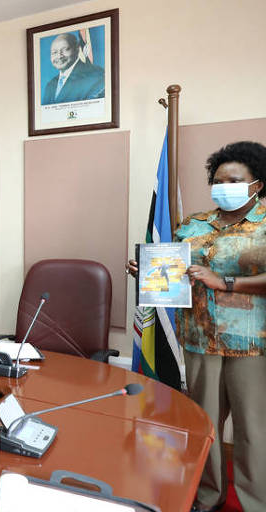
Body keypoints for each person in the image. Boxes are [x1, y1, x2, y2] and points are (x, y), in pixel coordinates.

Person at [127, 141, 266, 512]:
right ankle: (207, 497)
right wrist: (149, 273)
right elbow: (174, 272)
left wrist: (226, 283)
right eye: (218, 180)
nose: (224, 186)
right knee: (204, 426)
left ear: (258, 185)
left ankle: (255, 504)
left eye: (234, 180)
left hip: (252, 343)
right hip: (199, 339)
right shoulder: (193, 224)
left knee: (253, 432)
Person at [41, 33, 105, 105]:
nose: (59, 56)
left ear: (77, 49)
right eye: (54, 52)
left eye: (65, 50)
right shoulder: (50, 85)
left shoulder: (97, 75)